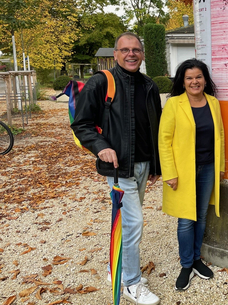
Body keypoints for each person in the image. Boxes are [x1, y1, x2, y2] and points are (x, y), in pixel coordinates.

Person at [71, 32, 162, 305]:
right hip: (118, 168)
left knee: (126, 224)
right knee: (133, 224)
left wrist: (156, 165)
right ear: (115, 54)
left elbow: (154, 128)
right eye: (125, 50)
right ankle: (132, 285)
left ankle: (119, 270)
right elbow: (81, 124)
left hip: (144, 165)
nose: (131, 54)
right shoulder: (101, 82)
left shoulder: (149, 85)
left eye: (136, 49)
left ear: (142, 54)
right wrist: (101, 147)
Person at [158, 59, 225, 291]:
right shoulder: (174, 104)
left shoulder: (213, 103)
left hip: (208, 168)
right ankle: (187, 264)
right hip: (182, 171)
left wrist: (220, 167)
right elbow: (164, 141)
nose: (194, 81)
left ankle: (197, 259)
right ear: (182, 81)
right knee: (186, 220)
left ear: (205, 80)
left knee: (202, 215)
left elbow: (220, 136)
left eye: (198, 77)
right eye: (189, 78)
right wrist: (170, 173)